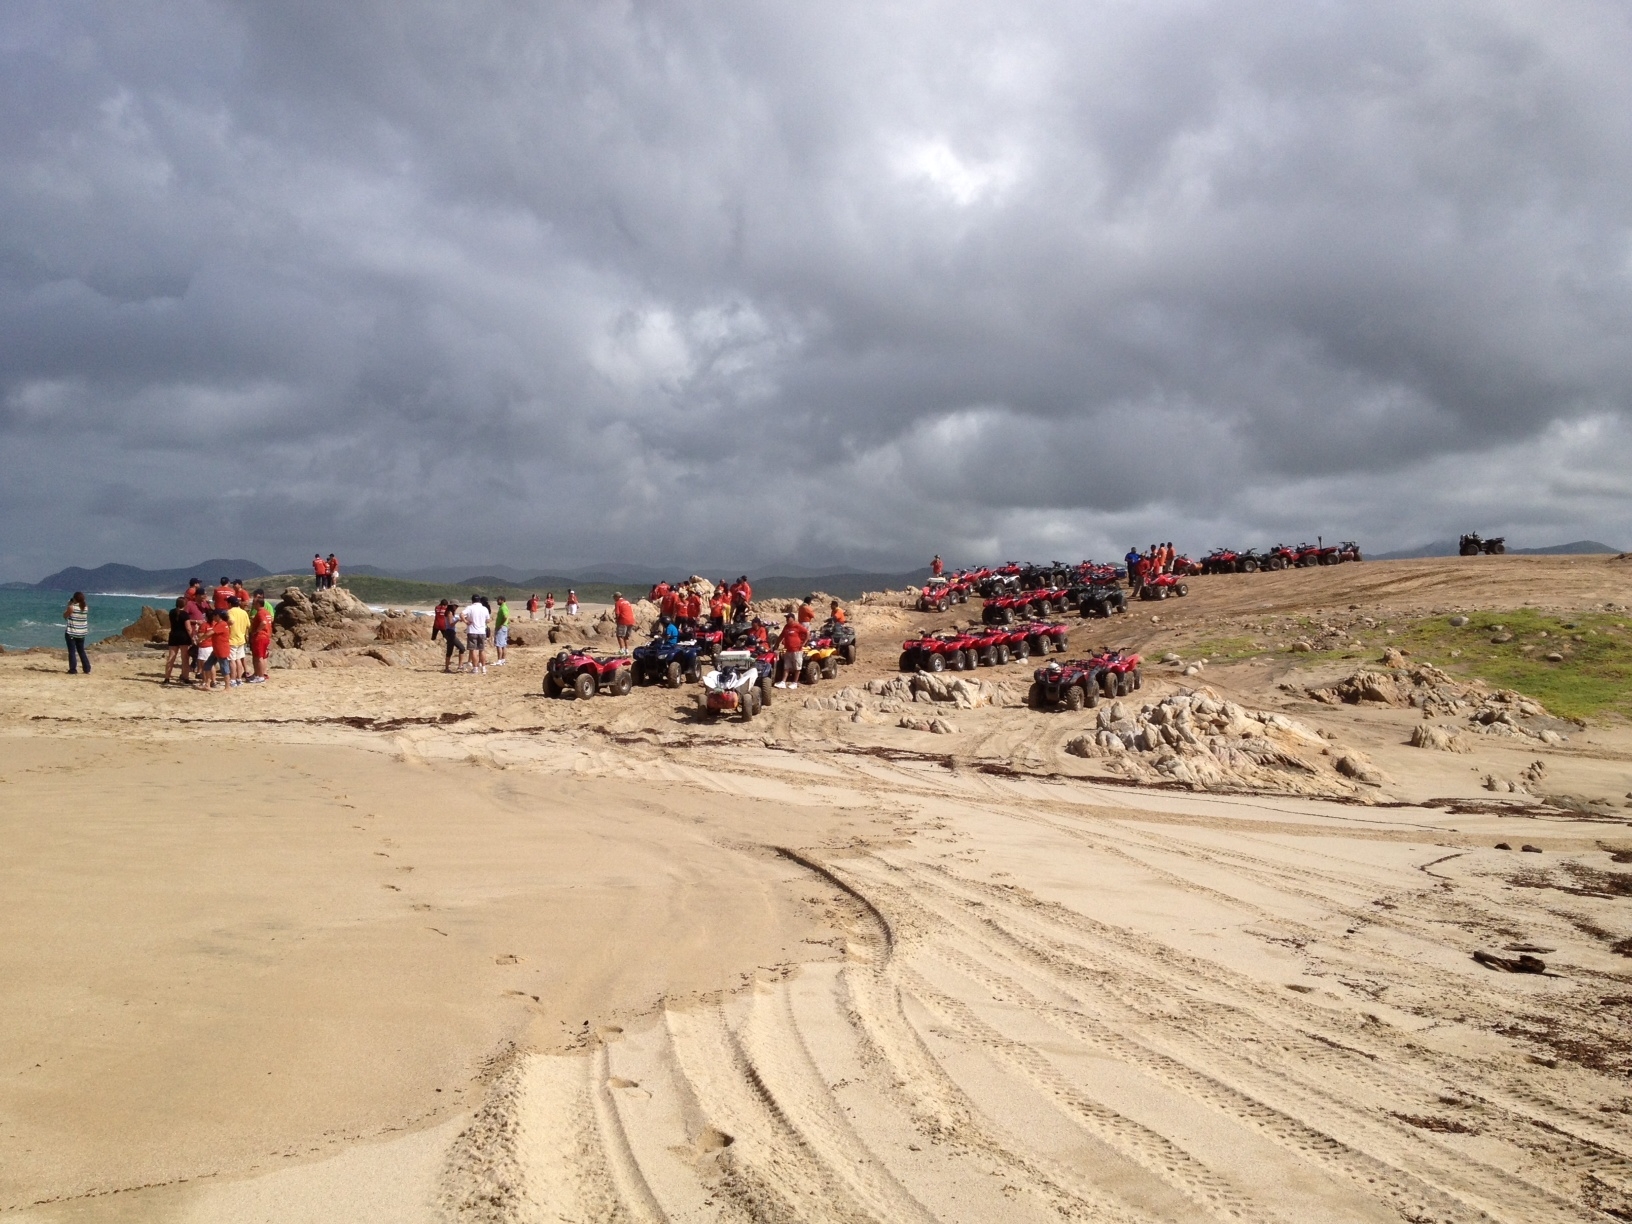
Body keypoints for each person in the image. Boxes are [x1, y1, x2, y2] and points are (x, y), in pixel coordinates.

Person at [163, 596, 193, 684]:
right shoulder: (185, 614)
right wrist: (192, 638)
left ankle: (167, 678)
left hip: (173, 635)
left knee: (171, 658)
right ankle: (185, 677)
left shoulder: (172, 612)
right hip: (183, 637)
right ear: (185, 604)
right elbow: (188, 628)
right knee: (185, 658)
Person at [775, 611, 808, 689]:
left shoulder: (797, 626)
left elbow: (807, 633)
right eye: (786, 618)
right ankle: (783, 682)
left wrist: (803, 643)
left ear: (792, 619)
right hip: (788, 650)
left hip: (797, 650)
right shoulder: (786, 627)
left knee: (797, 667)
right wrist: (777, 643)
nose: (786, 619)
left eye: (788, 618)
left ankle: (795, 682)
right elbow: (781, 635)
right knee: (786, 667)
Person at [225, 596, 252, 686]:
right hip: (241, 638)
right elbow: (248, 625)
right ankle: (239, 679)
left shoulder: (229, 612)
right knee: (238, 659)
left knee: (232, 660)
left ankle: (233, 679)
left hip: (232, 638)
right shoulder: (244, 612)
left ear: (229, 604)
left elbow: (231, 621)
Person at [63, 592, 90, 675]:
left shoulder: (72, 607)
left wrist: (69, 605)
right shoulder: (85, 607)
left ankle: (73, 669)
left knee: (72, 651)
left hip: (72, 632)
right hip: (82, 632)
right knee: (81, 650)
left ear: (74, 599)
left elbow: (65, 616)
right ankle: (87, 668)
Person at [248, 590, 272, 683]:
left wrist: (256, 631)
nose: (253, 605)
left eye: (254, 603)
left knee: (259, 657)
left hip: (260, 637)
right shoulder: (267, 612)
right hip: (266, 636)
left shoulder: (261, 612)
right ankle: (258, 674)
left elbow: (264, 622)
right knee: (261, 656)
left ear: (258, 604)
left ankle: (260, 676)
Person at [463, 595, 491, 674]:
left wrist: (466, 622)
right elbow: (488, 620)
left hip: (472, 631)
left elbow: (461, 614)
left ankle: (475, 668)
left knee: (473, 650)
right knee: (482, 650)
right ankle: (484, 668)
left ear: (472, 601)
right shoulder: (484, 608)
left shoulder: (470, 608)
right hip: (482, 631)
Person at [493, 596, 511, 665]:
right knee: (503, 644)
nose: (497, 601)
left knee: (499, 644)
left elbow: (505, 617)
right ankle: (503, 660)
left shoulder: (503, 607)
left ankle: (499, 660)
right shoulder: (504, 607)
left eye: (498, 600)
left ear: (502, 600)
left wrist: (501, 624)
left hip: (501, 628)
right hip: (504, 627)